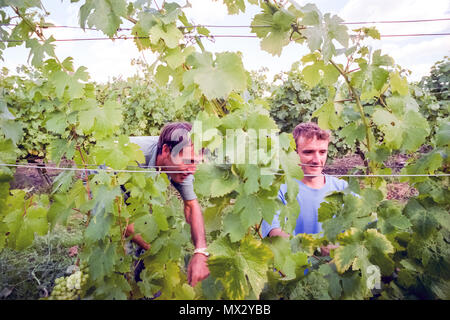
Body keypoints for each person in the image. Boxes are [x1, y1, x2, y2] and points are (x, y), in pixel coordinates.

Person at [125, 122, 209, 287]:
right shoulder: (132, 158)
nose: (192, 170)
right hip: (105, 179)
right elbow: (120, 220)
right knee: (118, 251)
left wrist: (201, 250)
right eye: (188, 161)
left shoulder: (184, 166)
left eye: (195, 162)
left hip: (140, 196)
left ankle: (143, 286)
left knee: (149, 232)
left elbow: (191, 206)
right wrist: (160, 252)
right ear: (165, 151)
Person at [261, 122, 348, 255]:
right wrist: (318, 248)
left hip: (333, 272)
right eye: (309, 152)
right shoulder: (278, 189)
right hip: (293, 274)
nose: (317, 159)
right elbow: (276, 234)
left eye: (322, 152)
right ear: (294, 154)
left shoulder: (342, 188)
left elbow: (359, 226)